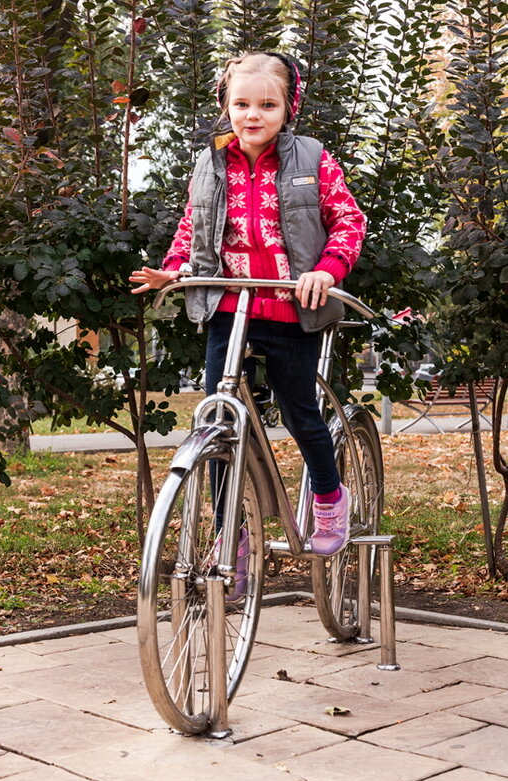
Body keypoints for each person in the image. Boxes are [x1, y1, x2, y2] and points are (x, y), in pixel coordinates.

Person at [130, 51, 366, 557]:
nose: (252, 115)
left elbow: (348, 221)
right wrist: (174, 270)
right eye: (241, 103)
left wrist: (326, 270)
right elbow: (194, 229)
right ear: (225, 105)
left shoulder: (311, 159)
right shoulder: (211, 163)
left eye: (267, 105)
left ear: (288, 109)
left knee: (300, 411)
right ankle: (229, 535)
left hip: (289, 309)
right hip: (229, 308)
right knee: (218, 422)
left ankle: (328, 495)